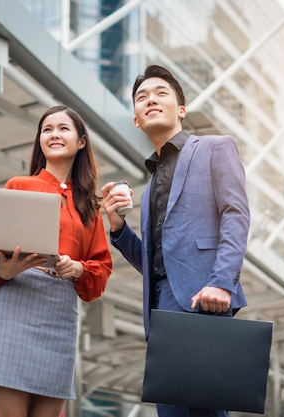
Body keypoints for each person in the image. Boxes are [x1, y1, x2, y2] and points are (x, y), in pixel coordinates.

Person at [101, 65, 250, 417]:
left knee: (208, 413)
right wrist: (118, 226)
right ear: (136, 119)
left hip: (205, 301)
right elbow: (157, 262)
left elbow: (236, 214)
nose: (150, 99)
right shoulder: (149, 185)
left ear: (181, 109)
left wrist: (221, 282)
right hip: (160, 316)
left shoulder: (216, 148)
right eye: (141, 97)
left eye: (160, 93)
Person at [0, 105, 113, 417]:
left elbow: (100, 270)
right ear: (39, 140)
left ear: (81, 141)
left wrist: (77, 268)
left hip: (59, 314)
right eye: (47, 129)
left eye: (63, 128)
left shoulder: (89, 205)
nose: (54, 134)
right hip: (14, 309)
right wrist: (3, 271)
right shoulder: (18, 185)